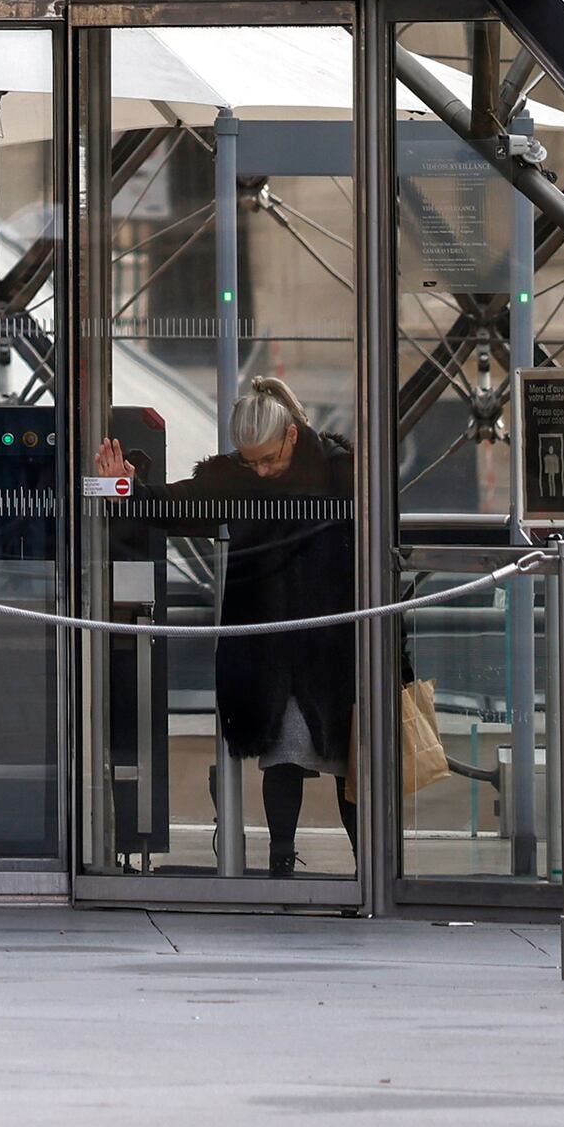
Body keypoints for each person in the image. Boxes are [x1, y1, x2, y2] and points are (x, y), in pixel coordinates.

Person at [181, 374, 357, 875]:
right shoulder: (250, 476)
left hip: (335, 641)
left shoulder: (341, 471)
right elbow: (178, 502)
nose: (260, 471)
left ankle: (366, 869)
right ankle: (283, 860)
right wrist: (126, 488)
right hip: (283, 642)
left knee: (349, 760)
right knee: (286, 753)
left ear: (291, 436)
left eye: (268, 459)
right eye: (250, 462)